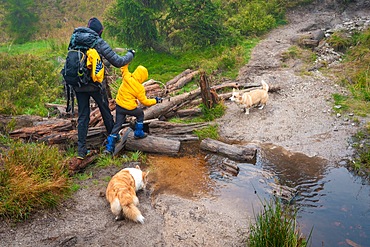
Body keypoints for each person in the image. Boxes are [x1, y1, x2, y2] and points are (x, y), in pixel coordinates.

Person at [67, 17, 135, 161]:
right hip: (94, 84)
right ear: (100, 31)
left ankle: (81, 150)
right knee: (105, 110)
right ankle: (112, 141)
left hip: (78, 84)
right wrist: (131, 54)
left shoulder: (75, 38)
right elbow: (118, 61)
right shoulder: (96, 41)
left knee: (83, 115)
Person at [104, 63, 162, 154]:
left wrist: (128, 59)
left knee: (117, 125)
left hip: (119, 106)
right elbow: (145, 102)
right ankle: (138, 132)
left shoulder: (127, 77)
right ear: (142, 77)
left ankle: (109, 147)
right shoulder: (140, 88)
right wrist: (156, 100)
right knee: (140, 114)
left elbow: (123, 68)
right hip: (130, 108)